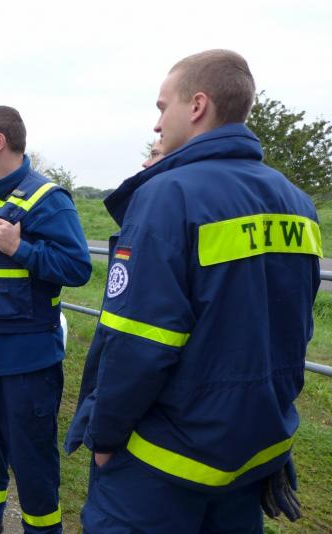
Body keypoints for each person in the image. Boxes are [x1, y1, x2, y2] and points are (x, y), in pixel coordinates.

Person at [65, 49, 320, 532]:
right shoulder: (297, 202)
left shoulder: (167, 195)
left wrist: (104, 437)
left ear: (198, 105)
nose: (157, 123)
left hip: (163, 463)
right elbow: (294, 330)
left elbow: (138, 342)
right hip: (251, 451)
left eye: (163, 107)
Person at [0, 106, 92, 534]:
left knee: (32, 460)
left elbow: (77, 267)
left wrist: (20, 248)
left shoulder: (48, 199)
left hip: (24, 363)